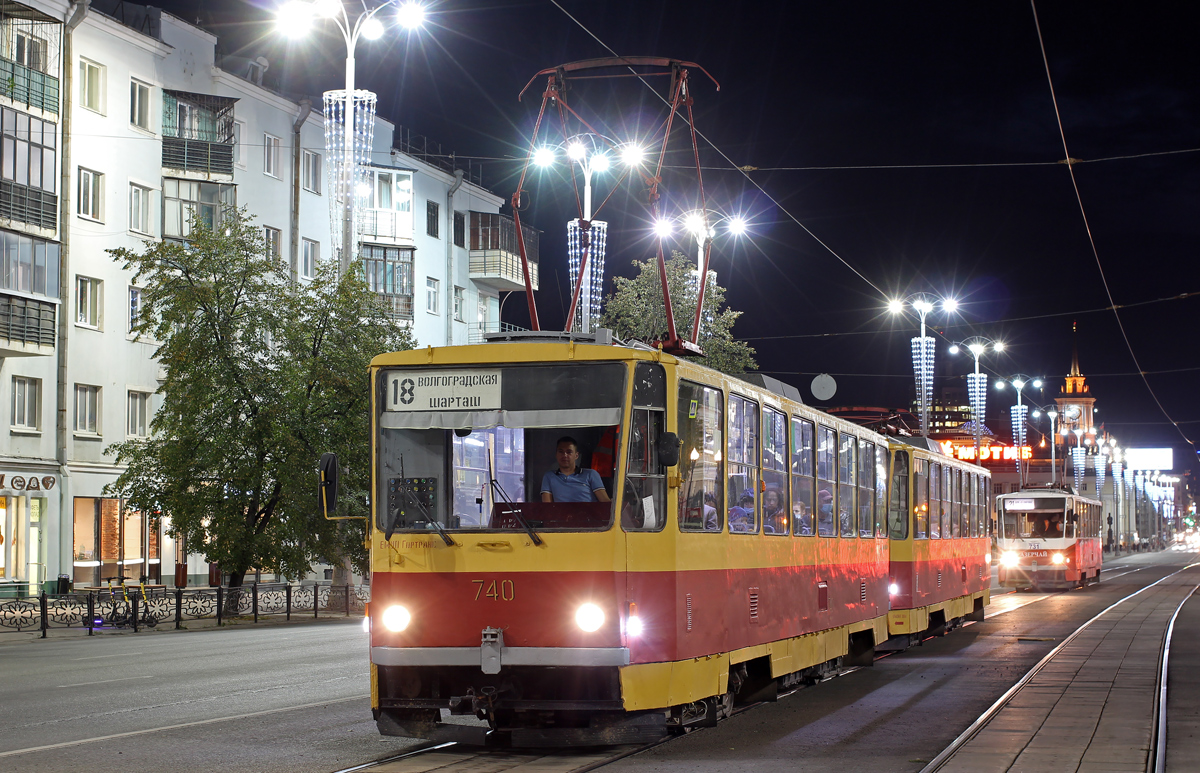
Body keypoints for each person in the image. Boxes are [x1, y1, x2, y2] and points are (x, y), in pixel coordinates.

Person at [541, 436, 611, 503]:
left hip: (588, 514)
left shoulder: (591, 474)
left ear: (576, 455)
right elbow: (547, 507)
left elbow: (604, 502)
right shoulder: (549, 476)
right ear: (556, 455)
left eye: (569, 452)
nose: (565, 455)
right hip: (560, 515)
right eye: (561, 451)